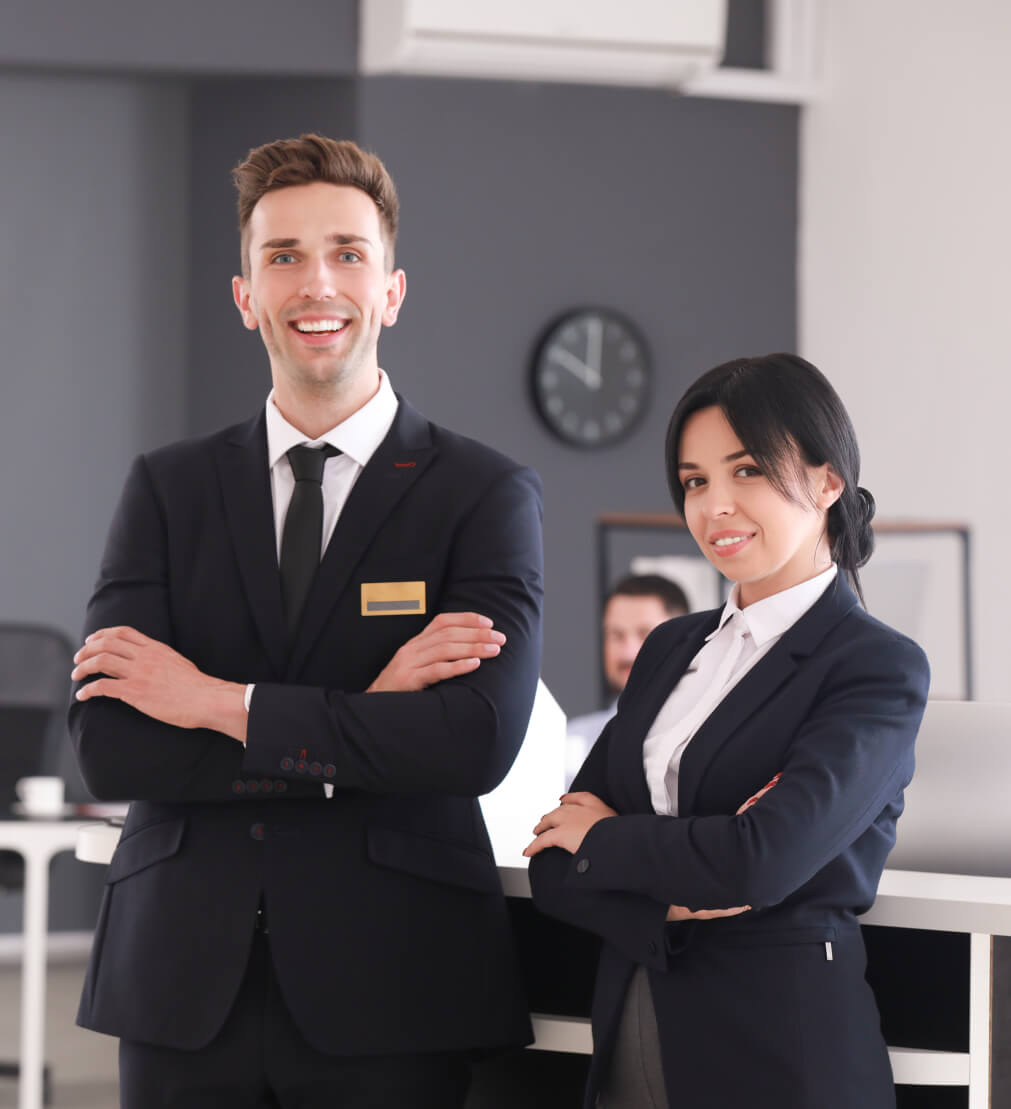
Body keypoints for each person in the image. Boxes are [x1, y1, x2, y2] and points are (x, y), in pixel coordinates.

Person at [68, 134, 543, 1108]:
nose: (315, 282)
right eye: (282, 256)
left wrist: (210, 700)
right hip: (181, 982)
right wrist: (362, 718)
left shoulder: (482, 493)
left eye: (347, 253)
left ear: (392, 289)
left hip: (398, 982)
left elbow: (472, 740)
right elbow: (113, 747)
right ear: (245, 296)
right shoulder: (168, 488)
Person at [525, 353, 929, 1109]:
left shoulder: (874, 666)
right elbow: (552, 861)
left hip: (779, 1053)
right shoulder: (670, 647)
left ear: (825, 480)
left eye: (746, 471)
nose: (715, 505)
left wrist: (606, 842)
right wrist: (675, 891)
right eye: (695, 480)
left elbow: (757, 859)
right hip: (631, 1035)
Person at [566, 575, 688, 785]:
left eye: (645, 634)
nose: (628, 653)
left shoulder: (709, 733)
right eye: (616, 635)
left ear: (684, 641)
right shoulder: (572, 740)